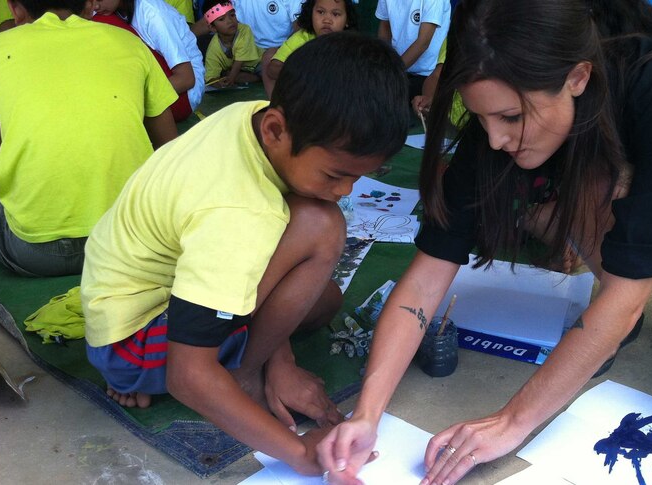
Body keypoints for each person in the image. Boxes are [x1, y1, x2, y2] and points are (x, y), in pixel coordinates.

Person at [316, 1, 652, 484]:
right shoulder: (500, 120)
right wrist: (366, 413)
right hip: (621, 201)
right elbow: (427, 277)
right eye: (482, 118)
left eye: (511, 118)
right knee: (580, 207)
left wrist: (511, 422)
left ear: (576, 78)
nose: (496, 140)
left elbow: (627, 295)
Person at [80, 32, 409, 476]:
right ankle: (240, 377)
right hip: (134, 341)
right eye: (336, 174)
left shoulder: (251, 118)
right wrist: (300, 453)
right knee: (320, 224)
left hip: (131, 305)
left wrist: (284, 359)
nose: (346, 191)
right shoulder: (236, 211)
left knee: (323, 298)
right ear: (276, 130)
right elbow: (187, 375)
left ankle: (257, 363)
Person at [0, 0, 177, 277]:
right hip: (133, 246)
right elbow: (170, 150)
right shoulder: (129, 42)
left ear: (15, 8)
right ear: (89, 6)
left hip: (38, 253)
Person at [92, 0, 205, 118]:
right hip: (161, 85)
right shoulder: (114, 9)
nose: (95, 5)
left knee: (101, 22)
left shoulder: (153, 13)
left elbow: (186, 79)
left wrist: (132, 98)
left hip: (184, 95)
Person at [265, 0, 356, 87]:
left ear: (347, 20)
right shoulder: (301, 38)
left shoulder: (350, 44)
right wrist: (304, 70)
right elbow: (273, 70)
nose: (327, 20)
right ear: (310, 14)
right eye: (320, 12)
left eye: (335, 14)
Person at [376, 0, 450, 100]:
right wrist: (382, 64)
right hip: (399, 70)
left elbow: (423, 42)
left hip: (428, 76)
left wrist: (391, 71)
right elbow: (385, 27)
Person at [233, 0, 302, 97]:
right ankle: (257, 75)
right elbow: (215, 16)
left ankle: (273, 104)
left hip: (281, 50)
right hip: (247, 53)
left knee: (270, 58)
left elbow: (300, 29)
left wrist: (283, 50)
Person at [202, 0, 261, 86]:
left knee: (268, 70)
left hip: (257, 64)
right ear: (213, 28)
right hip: (238, 71)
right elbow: (211, 78)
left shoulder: (244, 30)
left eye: (232, 15)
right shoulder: (213, 48)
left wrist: (231, 79)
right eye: (222, 19)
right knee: (227, 76)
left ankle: (258, 78)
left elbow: (239, 61)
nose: (230, 21)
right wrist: (218, 83)